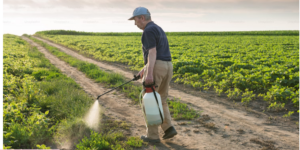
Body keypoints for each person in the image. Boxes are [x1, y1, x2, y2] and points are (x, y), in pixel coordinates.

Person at [128, 7, 177, 143]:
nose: (135, 23)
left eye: (136, 20)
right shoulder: (158, 28)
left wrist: (149, 74)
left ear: (142, 18)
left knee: (148, 101)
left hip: (157, 68)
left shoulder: (147, 31)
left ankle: (153, 136)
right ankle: (168, 128)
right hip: (167, 66)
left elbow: (153, 53)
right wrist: (144, 69)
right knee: (160, 99)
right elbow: (159, 53)